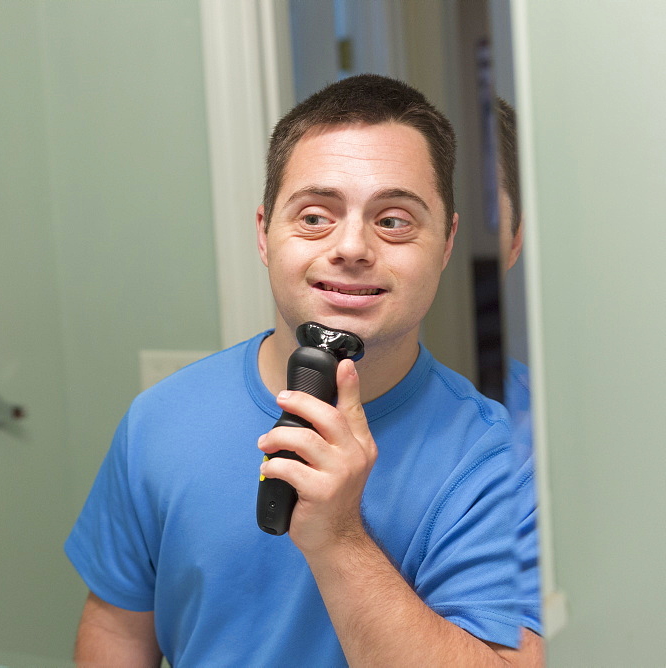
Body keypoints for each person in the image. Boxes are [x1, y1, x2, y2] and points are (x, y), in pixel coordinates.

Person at [65, 74, 542, 666]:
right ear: (264, 234)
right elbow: (117, 629)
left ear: (446, 245)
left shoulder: (505, 461)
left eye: (393, 220)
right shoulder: (160, 420)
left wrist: (338, 538)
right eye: (315, 215)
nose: (351, 246)